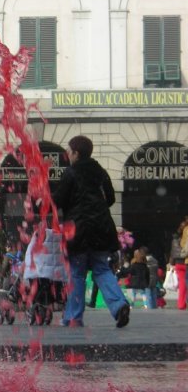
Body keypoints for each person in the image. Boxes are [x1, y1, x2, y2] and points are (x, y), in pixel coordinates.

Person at [52, 135, 130, 328]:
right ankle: (119, 305)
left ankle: (73, 317)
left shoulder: (71, 173)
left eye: (69, 151)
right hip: (102, 229)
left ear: (76, 153)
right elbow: (110, 198)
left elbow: (59, 200)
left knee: (77, 274)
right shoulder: (100, 172)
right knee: (102, 269)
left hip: (78, 230)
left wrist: (42, 201)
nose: (67, 155)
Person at [169, 218, 188, 310]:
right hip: (185, 261)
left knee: (182, 285)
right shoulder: (185, 237)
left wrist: (171, 263)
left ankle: (181, 304)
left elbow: (172, 252)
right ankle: (184, 303)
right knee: (185, 284)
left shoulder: (175, 238)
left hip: (178, 263)